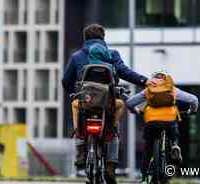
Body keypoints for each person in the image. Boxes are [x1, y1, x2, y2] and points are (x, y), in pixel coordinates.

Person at [62, 24, 158, 184]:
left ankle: (80, 145)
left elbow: (66, 81)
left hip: (85, 103)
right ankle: (110, 166)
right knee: (113, 129)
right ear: (103, 38)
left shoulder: (77, 56)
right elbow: (125, 72)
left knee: (75, 105)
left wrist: (75, 92)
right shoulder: (112, 54)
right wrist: (145, 80)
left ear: (85, 39)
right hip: (108, 104)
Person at [126, 71, 199, 183]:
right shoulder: (172, 89)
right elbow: (193, 100)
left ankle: (144, 174)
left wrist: (135, 111)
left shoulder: (148, 89)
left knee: (148, 148)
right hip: (169, 120)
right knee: (173, 131)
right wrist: (191, 111)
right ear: (167, 79)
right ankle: (174, 145)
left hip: (151, 121)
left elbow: (130, 103)